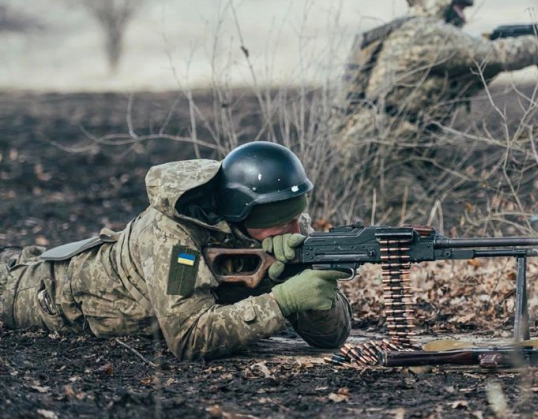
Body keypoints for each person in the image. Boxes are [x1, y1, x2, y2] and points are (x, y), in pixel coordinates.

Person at [0, 141, 351, 360]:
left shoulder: (286, 220)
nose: (295, 230)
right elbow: (188, 337)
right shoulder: (172, 237)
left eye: (297, 218)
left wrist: (303, 285)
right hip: (45, 295)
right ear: (242, 214)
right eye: (283, 223)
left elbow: (330, 338)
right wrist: (281, 300)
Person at [334, 0, 538, 209]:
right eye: (458, 3)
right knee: (412, 226)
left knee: (420, 221)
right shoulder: (425, 32)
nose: (463, 12)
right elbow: (497, 55)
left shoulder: (410, 30)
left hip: (391, 145)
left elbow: (468, 80)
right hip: (383, 147)